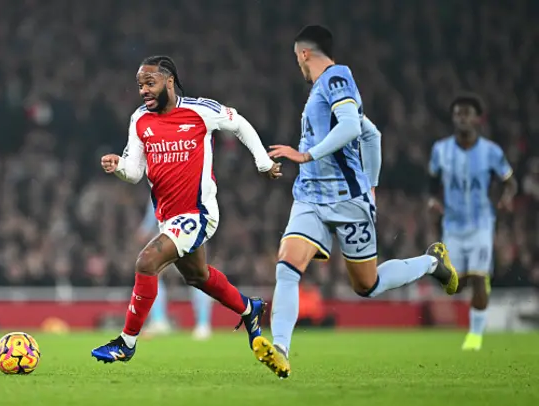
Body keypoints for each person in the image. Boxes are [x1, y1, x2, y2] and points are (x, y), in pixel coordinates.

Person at [251, 25, 459, 378]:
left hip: (348, 200)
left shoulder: (336, 78)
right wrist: (373, 183)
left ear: (303, 53)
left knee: (367, 285)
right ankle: (281, 349)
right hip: (310, 198)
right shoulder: (322, 91)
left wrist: (307, 155)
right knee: (287, 266)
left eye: (296, 58)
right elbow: (371, 134)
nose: (298, 66)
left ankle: (430, 262)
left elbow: (350, 127)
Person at [91, 55, 282, 364]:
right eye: (140, 85)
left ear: (169, 82)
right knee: (198, 276)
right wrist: (118, 167)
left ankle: (126, 343)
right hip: (168, 218)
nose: (144, 91)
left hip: (198, 213)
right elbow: (135, 172)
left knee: (146, 262)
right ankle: (250, 309)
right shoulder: (140, 119)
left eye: (150, 83)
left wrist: (262, 162)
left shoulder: (199, 111)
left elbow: (240, 124)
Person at [428, 93, 517, 352]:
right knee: (456, 285)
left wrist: (507, 197)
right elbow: (432, 182)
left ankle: (475, 337)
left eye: (467, 113)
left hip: (481, 223)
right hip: (452, 225)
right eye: (458, 113)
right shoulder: (440, 150)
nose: (462, 117)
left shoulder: (491, 151)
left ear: (477, 119)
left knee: (479, 278)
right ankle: (468, 285)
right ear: (453, 118)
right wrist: (433, 201)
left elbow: (509, 181)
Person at [137, 198, 213, 340]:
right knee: (198, 277)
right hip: (193, 231)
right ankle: (203, 325)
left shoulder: (161, 179)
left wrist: (145, 229)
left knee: (153, 272)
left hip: (171, 234)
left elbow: (155, 207)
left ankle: (159, 320)